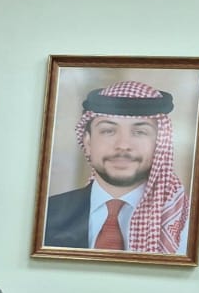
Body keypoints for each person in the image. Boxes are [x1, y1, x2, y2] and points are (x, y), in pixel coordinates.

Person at [44, 80, 190, 255]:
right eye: (108, 131)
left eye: (139, 132)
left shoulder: (186, 222)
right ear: (88, 142)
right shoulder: (47, 213)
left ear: (160, 144)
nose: (123, 145)